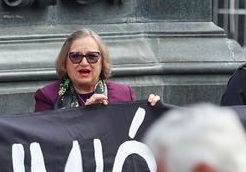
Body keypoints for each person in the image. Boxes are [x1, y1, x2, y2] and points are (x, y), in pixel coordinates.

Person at [34, 28, 162, 110]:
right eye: (75, 56)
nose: (84, 63)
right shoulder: (47, 96)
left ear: (102, 61)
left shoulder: (124, 94)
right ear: (65, 61)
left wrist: (155, 113)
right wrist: (88, 114)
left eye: (92, 56)